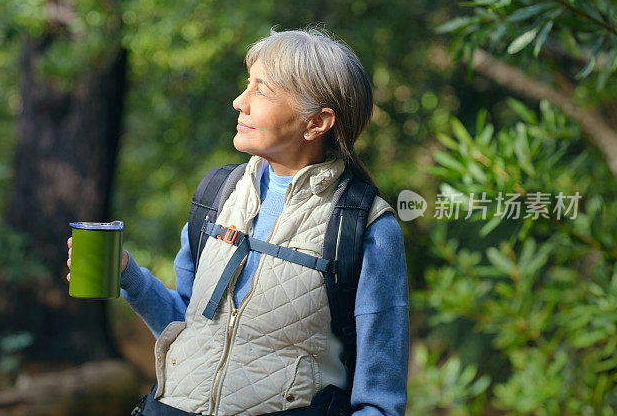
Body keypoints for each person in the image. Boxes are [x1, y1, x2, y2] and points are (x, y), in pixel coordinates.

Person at [68, 27, 408, 415]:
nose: (239, 101)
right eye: (248, 85)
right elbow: (191, 328)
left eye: (261, 91)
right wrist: (127, 275)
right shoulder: (219, 196)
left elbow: (379, 403)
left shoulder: (365, 230)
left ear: (316, 123)